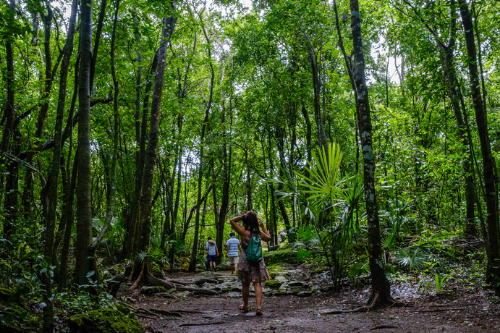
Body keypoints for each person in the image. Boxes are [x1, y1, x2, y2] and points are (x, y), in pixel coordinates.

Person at [229, 211, 272, 316]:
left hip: (245, 259)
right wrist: (262, 226)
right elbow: (268, 238)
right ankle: (258, 308)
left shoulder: (243, 233)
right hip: (257, 260)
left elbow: (232, 221)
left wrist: (243, 216)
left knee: (245, 283)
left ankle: (246, 306)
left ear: (246, 221)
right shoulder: (259, 233)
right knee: (257, 283)